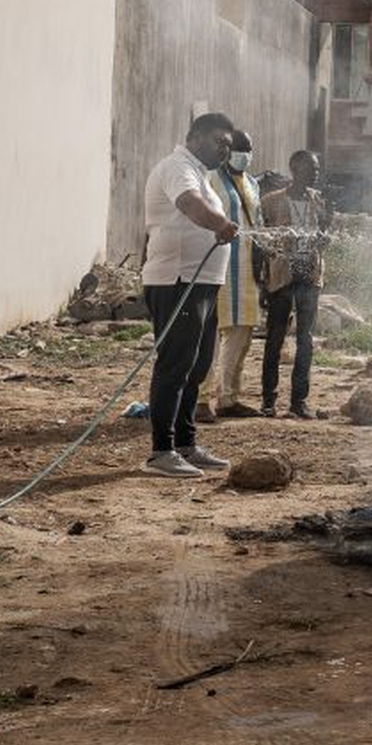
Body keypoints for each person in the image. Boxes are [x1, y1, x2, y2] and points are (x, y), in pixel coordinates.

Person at [140, 113, 240, 477]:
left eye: (228, 145)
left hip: (201, 285)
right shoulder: (178, 167)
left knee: (197, 366)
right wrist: (220, 224)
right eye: (219, 142)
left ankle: (186, 443)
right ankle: (161, 451)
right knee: (175, 366)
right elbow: (188, 204)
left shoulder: (202, 173)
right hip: (177, 280)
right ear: (195, 137)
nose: (225, 150)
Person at [260, 150, 333, 420]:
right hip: (282, 277)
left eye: (316, 167)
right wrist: (262, 283)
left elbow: (325, 238)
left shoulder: (320, 201)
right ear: (294, 168)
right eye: (309, 167)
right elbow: (263, 244)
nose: (315, 172)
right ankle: (269, 401)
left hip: (310, 276)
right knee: (275, 340)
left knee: (306, 342)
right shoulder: (271, 202)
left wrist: (326, 233)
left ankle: (298, 401)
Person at [205, 130, 265, 421]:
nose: (245, 154)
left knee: (241, 335)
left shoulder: (252, 184)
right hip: (217, 267)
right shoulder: (210, 179)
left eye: (249, 149)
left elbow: (259, 224)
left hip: (247, 271)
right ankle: (201, 399)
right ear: (228, 151)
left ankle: (228, 398)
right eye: (240, 148)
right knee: (210, 338)